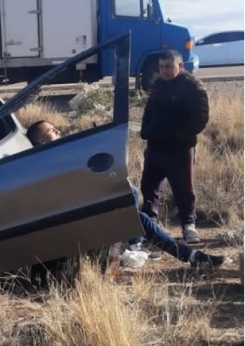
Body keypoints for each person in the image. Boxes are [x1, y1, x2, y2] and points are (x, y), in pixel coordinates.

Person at [26, 120, 225, 272]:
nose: (58, 131)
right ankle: (186, 255)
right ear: (41, 140)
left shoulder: (53, 157)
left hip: (83, 212)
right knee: (137, 215)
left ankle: (180, 254)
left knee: (132, 199)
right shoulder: (47, 163)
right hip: (74, 223)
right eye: (51, 131)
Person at [139, 49, 209, 244]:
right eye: (161, 67)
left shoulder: (192, 86)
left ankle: (188, 225)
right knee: (150, 188)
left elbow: (201, 117)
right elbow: (149, 110)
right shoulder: (159, 84)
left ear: (180, 66)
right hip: (155, 147)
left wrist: (180, 137)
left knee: (183, 189)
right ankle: (150, 227)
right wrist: (146, 130)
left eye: (169, 67)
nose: (165, 71)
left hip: (179, 148)